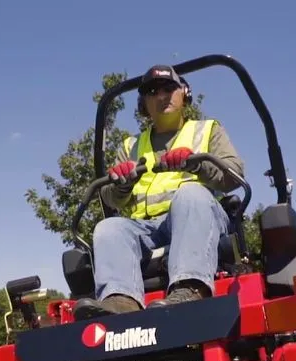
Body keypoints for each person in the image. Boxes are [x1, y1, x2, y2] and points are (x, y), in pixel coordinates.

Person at [72, 64, 246, 320]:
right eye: (152, 91)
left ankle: (190, 288)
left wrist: (198, 163)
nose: (162, 95)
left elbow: (234, 175)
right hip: (145, 230)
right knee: (109, 228)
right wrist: (121, 183)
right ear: (144, 103)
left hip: (196, 219)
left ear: (184, 93)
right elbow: (109, 197)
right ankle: (120, 302)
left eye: (169, 88)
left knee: (190, 195)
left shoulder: (208, 130)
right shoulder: (130, 146)